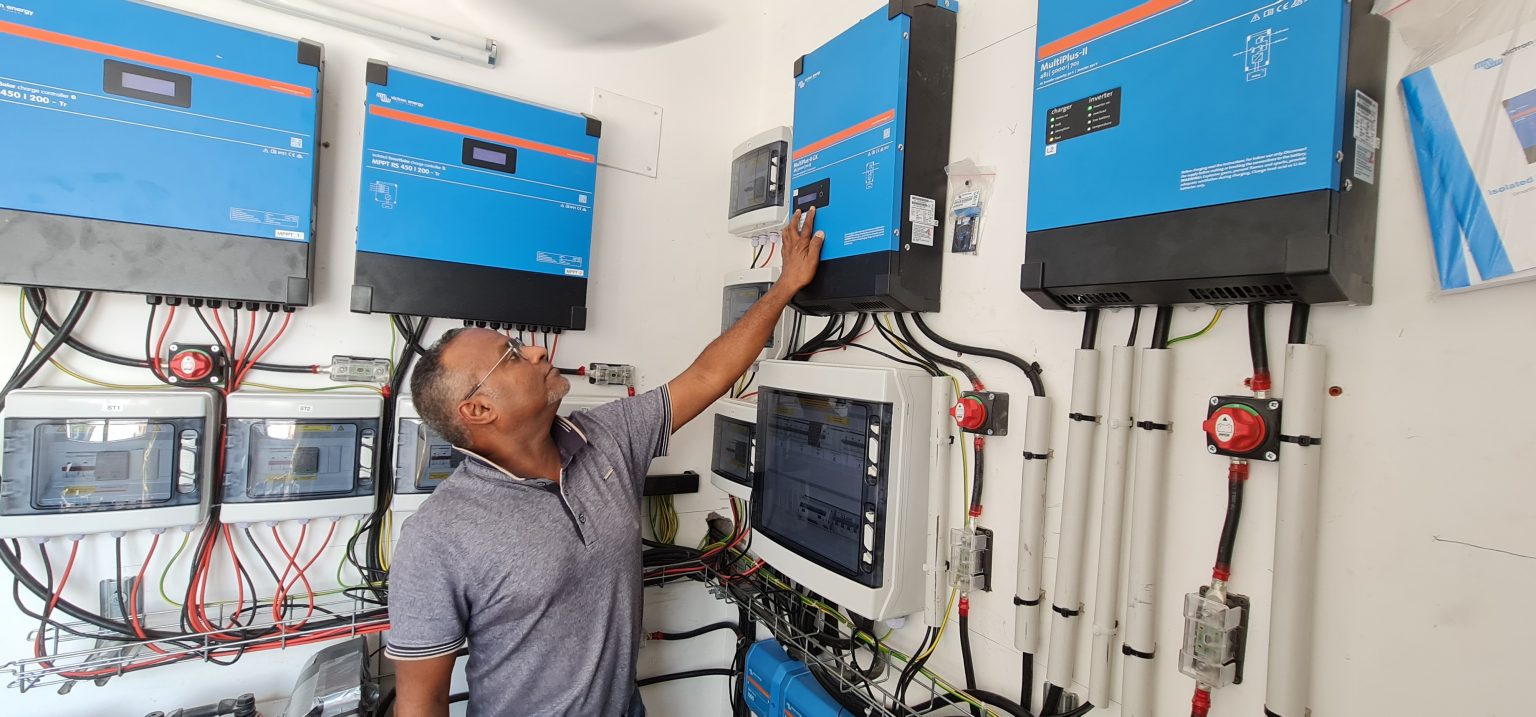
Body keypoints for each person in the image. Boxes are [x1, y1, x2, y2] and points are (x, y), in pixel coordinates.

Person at [385, 208, 824, 717]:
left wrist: (786, 285)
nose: (536, 353)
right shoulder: (437, 536)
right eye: (511, 356)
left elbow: (708, 375)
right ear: (478, 410)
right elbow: (421, 702)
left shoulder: (608, 435)